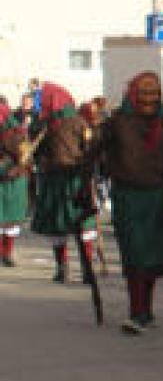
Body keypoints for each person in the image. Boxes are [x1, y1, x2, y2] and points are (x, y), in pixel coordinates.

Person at [102, 72, 163, 335]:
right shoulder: (117, 123)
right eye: (144, 93)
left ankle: (145, 310)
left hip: (159, 199)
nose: (149, 99)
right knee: (135, 255)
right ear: (134, 95)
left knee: (151, 259)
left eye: (154, 93)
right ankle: (136, 311)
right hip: (128, 198)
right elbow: (96, 152)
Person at [30, 83, 94, 284]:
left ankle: (63, 268)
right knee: (81, 224)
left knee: (60, 226)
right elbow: (90, 150)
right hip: (74, 178)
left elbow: (36, 153)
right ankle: (85, 269)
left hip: (61, 179)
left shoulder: (47, 125)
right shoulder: (79, 122)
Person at [0, 110, 29, 267]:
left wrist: (17, 168)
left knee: (9, 219)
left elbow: (26, 158)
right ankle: (5, 254)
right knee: (6, 219)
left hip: (13, 179)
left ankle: (6, 253)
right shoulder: (21, 133)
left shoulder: (19, 134)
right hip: (13, 178)